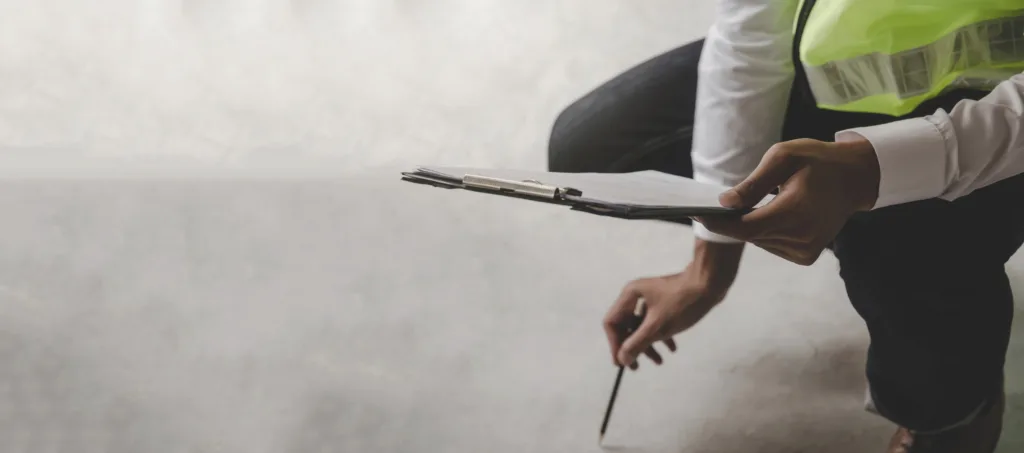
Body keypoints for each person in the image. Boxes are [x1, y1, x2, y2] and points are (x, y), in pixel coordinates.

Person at [548, 1, 1024, 452]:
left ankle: (954, 411)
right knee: (593, 151)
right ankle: (885, 247)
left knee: (894, 251)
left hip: (999, 111)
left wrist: (879, 168)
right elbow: (751, 34)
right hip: (846, 72)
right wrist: (710, 264)